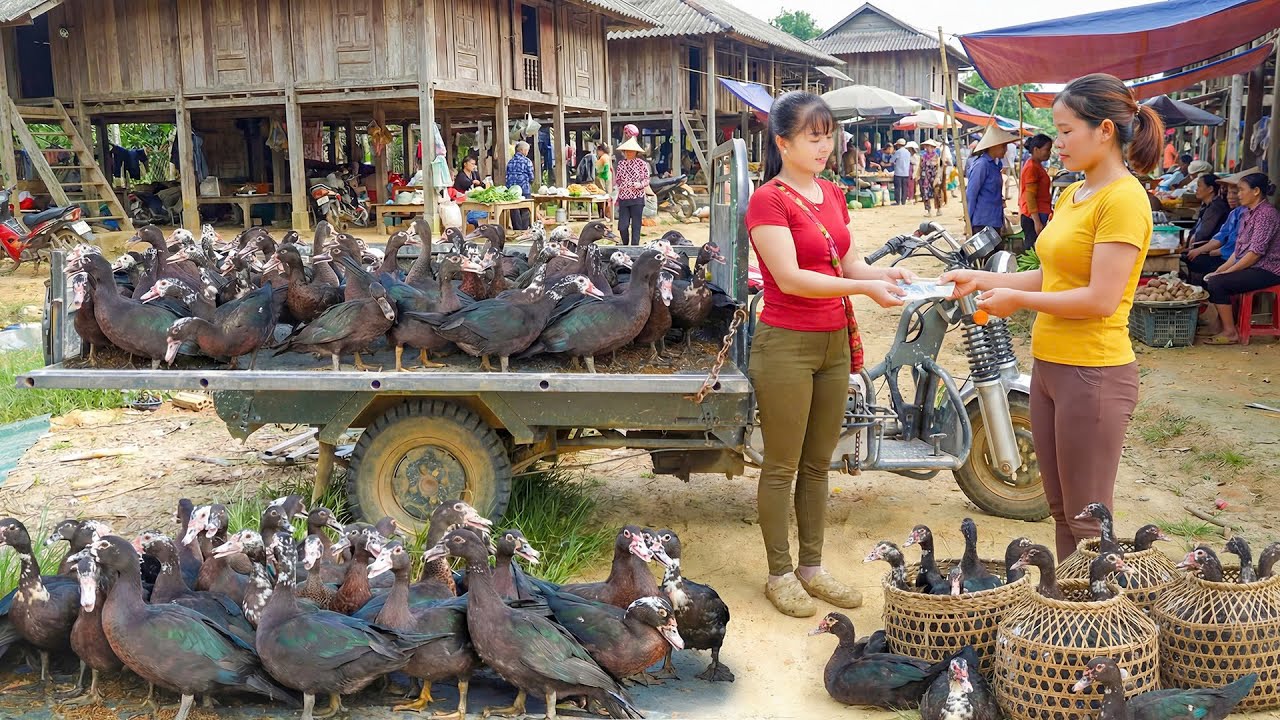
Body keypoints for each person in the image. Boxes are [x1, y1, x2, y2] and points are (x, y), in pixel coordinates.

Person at [941, 73, 1162, 559]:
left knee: (1088, 520)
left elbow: (1100, 300)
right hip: (1050, 368)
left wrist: (1017, 302)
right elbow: (1051, 278)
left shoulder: (1123, 199)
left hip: (1093, 373)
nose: (1055, 143)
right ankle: (1068, 615)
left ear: (1104, 131)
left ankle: (1100, 625)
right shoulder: (1073, 194)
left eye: (1065, 131)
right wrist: (985, 281)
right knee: (1060, 510)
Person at [746, 91, 913, 617]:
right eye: (812, 137)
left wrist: (885, 275)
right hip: (786, 344)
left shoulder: (833, 194)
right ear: (783, 142)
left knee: (819, 463)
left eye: (829, 135)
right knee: (781, 465)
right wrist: (861, 291)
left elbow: (850, 262)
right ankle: (778, 573)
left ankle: (811, 568)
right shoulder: (767, 200)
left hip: (833, 343)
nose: (825, 145)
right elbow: (792, 279)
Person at [1198, 171, 1280, 345]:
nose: (1238, 195)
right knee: (1213, 277)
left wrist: (1226, 273)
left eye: (1242, 190)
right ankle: (1223, 326)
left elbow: (1254, 253)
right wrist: (1222, 269)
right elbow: (1239, 250)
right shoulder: (1246, 213)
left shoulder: (1266, 214)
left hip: (1269, 269)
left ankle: (1230, 333)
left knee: (1218, 283)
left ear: (1256, 191)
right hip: (1254, 266)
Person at [1186, 172, 1245, 283]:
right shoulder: (1234, 213)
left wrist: (1219, 252)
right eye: (1228, 193)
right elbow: (1220, 237)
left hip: (1235, 260)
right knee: (1194, 259)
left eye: (1235, 193)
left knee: (1198, 263)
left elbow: (1239, 248)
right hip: (1226, 255)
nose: (1230, 197)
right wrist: (1199, 250)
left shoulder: (1250, 215)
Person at [966, 125, 1017, 235]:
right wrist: (968, 221)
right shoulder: (981, 165)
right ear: (993, 146)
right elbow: (971, 194)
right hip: (983, 221)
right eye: (1003, 146)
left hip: (995, 220)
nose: (1006, 150)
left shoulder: (996, 165)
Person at [614, 136, 650, 246]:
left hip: (637, 198)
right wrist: (621, 186)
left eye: (631, 151)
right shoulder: (621, 164)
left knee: (636, 225)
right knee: (623, 226)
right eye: (627, 151)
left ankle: (635, 247)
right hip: (624, 198)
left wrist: (639, 185)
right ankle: (625, 245)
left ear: (636, 152)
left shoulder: (641, 164)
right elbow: (618, 179)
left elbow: (647, 179)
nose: (629, 153)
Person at [1019, 134, 1054, 245]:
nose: (1049, 153)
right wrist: (1037, 221)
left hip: (1038, 213)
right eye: (1047, 150)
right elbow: (1030, 196)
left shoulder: (1036, 166)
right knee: (1033, 248)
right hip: (1034, 215)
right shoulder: (1032, 168)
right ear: (1036, 149)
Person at [505, 141, 535, 230]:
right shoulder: (527, 161)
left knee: (514, 209)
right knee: (525, 209)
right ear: (522, 150)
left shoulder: (510, 162)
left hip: (512, 190)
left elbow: (507, 175)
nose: (527, 152)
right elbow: (531, 177)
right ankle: (524, 230)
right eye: (527, 150)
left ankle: (517, 229)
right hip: (524, 188)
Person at [919, 139, 942, 217]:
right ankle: (928, 210)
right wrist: (918, 175)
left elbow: (939, 168)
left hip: (935, 177)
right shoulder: (923, 157)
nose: (928, 148)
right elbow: (920, 167)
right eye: (927, 146)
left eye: (930, 147)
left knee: (937, 193)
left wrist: (938, 177)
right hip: (925, 178)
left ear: (933, 148)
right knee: (925, 194)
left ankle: (938, 209)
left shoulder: (937, 157)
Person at [891, 138, 911, 205]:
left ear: (899, 145)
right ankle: (903, 201)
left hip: (898, 172)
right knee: (904, 187)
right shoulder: (908, 152)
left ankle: (898, 201)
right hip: (906, 172)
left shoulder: (898, 152)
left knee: (897, 187)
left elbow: (891, 160)